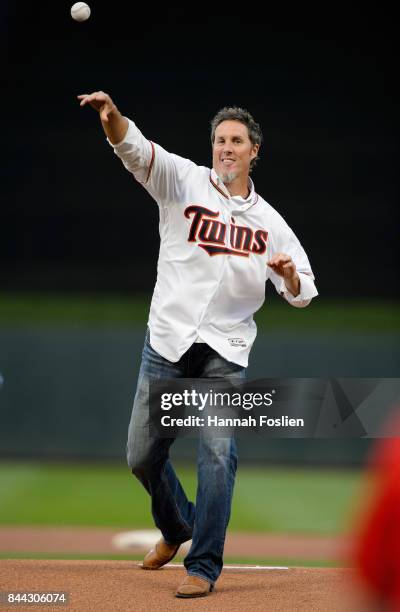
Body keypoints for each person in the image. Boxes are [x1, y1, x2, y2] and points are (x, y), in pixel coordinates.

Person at [78, 91, 318, 598]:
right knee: (141, 456)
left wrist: (290, 278)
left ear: (255, 151)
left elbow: (304, 293)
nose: (226, 148)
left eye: (236, 141)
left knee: (216, 453)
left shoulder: (270, 224)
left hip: (224, 353)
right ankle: (176, 527)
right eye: (219, 140)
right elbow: (136, 150)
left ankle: (203, 565)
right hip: (167, 341)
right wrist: (112, 119)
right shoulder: (182, 179)